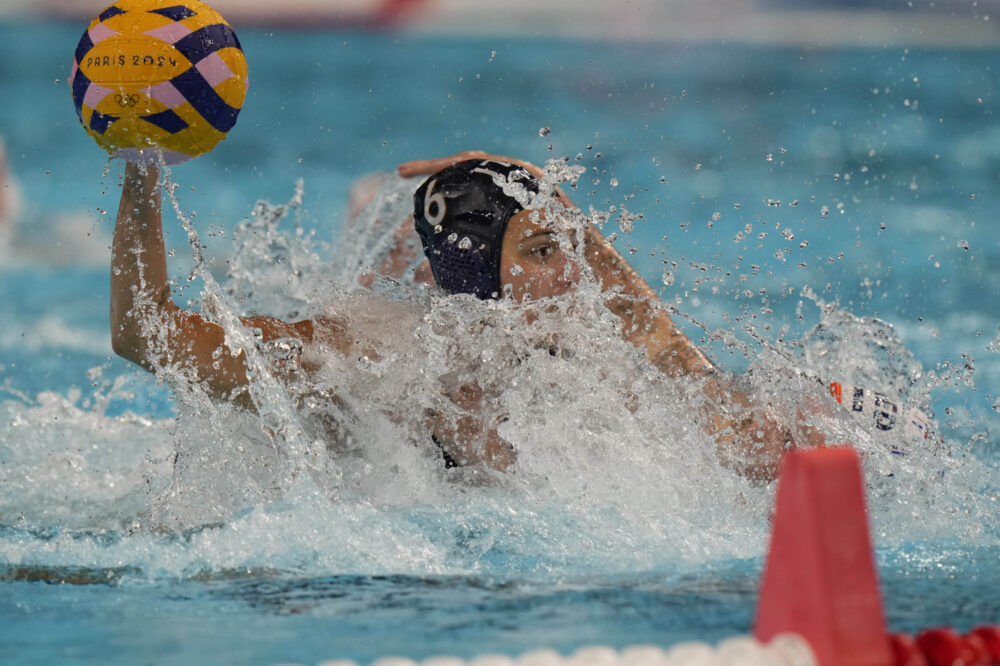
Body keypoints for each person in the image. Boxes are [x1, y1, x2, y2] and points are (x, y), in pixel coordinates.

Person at [111, 153, 823, 484]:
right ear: (477, 268)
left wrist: (561, 211)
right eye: (545, 249)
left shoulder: (587, 368)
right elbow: (147, 334)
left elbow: (722, 414)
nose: (575, 273)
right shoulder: (373, 353)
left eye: (572, 246)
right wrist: (142, 175)